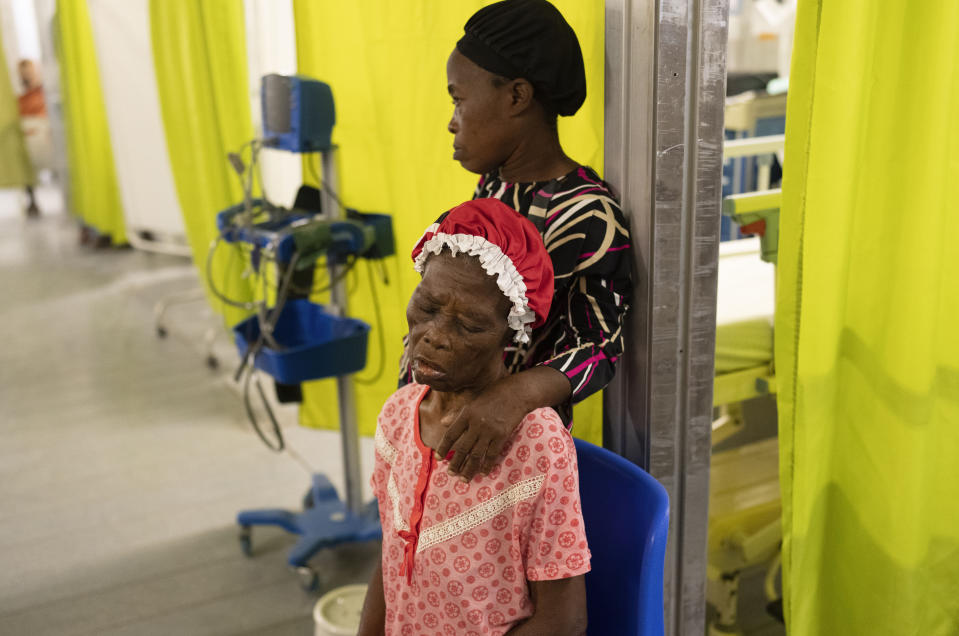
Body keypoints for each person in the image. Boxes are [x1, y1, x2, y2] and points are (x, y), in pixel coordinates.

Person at [399, 0, 632, 482]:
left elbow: (600, 343)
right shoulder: (493, 187)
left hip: (510, 457)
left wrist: (512, 396)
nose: (452, 120)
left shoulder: (586, 213)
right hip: (440, 426)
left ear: (517, 96)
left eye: (459, 100)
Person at [360, 199, 590, 636]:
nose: (435, 336)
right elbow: (392, 555)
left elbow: (564, 622)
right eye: (427, 307)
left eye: (469, 326)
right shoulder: (397, 416)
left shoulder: (536, 443)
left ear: (511, 332)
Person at [17, 59, 46, 218]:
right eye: (23, 73)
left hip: (42, 135)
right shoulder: (20, 96)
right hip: (28, 137)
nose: (26, 75)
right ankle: (32, 200)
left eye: (29, 72)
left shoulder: (42, 93)